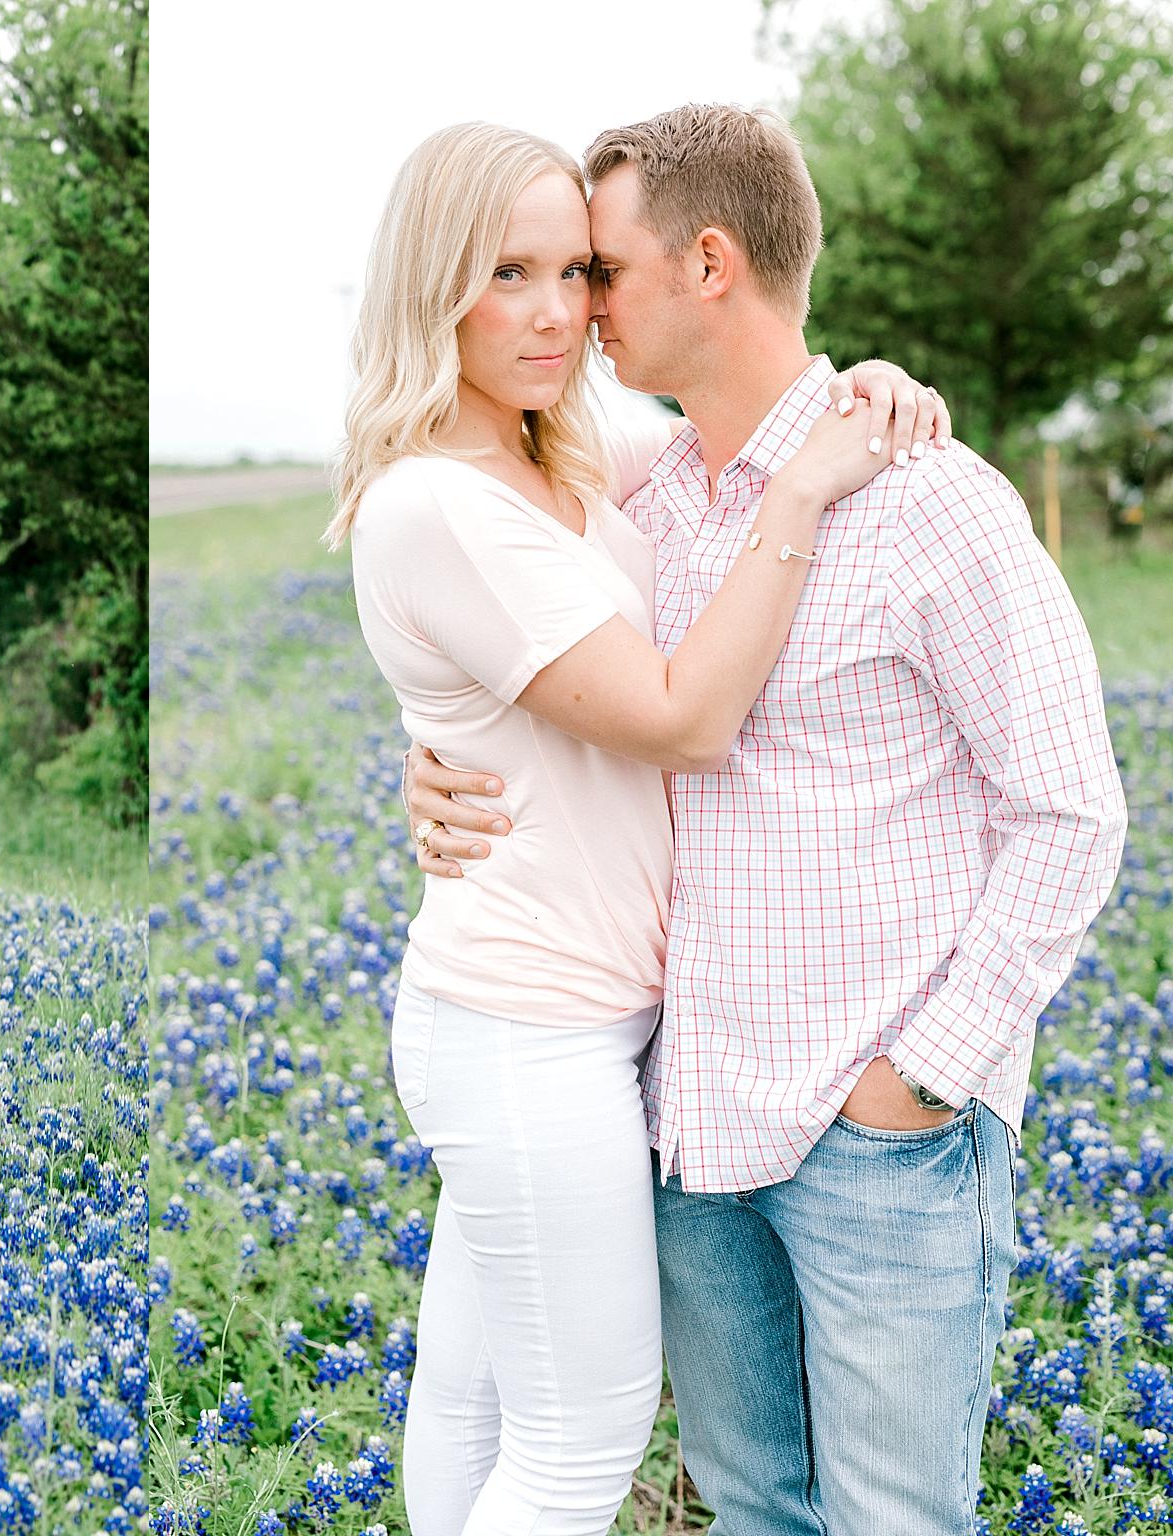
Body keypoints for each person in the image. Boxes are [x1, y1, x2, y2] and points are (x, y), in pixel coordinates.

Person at [401, 106, 1127, 1535]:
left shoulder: (936, 503)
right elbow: (554, 685)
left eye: (601, 272)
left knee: (896, 1518)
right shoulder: (638, 504)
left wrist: (925, 1073)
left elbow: (1070, 813)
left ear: (711, 264)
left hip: (880, 1130)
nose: (577, 310)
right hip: (689, 1112)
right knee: (749, 1508)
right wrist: (431, 766)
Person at [332, 118, 951, 1536]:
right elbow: (679, 717)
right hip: (525, 1023)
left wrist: (866, 384)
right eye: (508, 274)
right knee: (581, 1436)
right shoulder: (435, 502)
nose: (559, 314)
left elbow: (747, 408)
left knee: (474, 1397)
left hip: (580, 1008)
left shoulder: (570, 450)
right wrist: (804, 491)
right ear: (435, 287)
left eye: (578, 271)